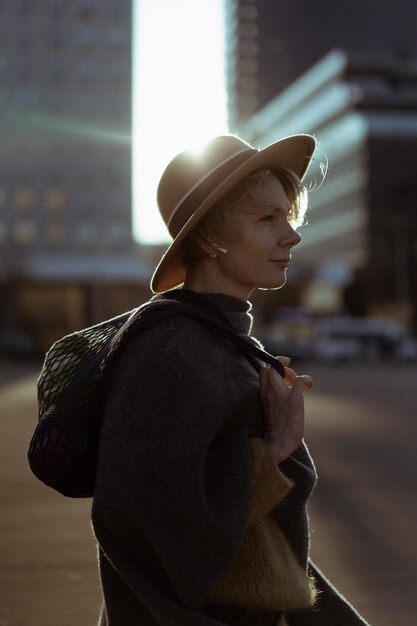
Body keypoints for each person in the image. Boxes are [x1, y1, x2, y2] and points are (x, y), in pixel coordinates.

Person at [91, 134, 371, 625]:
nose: (292, 235)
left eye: (288, 215)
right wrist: (275, 448)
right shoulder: (170, 352)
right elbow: (153, 523)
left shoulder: (224, 341)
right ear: (209, 239)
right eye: (267, 219)